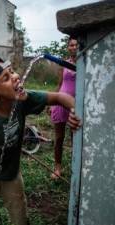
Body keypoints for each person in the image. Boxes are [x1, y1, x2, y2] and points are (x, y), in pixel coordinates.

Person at [0, 55, 82, 225]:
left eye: (12, 71)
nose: (15, 76)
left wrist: (74, 110)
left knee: (19, 211)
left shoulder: (22, 100)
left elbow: (59, 97)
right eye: (6, 77)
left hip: (11, 173)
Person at [50, 37, 78, 179]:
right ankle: (57, 168)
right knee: (59, 138)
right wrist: (52, 101)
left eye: (76, 45)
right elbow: (59, 83)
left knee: (76, 139)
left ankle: (76, 168)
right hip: (60, 103)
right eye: (71, 45)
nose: (74, 47)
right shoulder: (64, 64)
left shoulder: (86, 64)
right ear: (68, 47)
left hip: (75, 105)